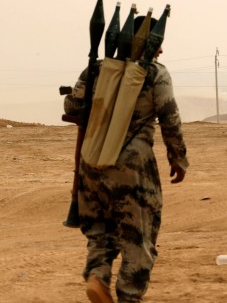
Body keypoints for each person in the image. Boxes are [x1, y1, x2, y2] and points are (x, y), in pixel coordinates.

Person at [64, 15, 188, 303]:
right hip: (133, 166)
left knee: (100, 232)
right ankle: (129, 297)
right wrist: (178, 157)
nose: (160, 50)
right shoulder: (155, 73)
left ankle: (97, 275)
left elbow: (72, 104)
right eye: (158, 43)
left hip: (91, 161)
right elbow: (170, 117)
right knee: (138, 237)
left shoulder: (97, 69)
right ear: (148, 41)